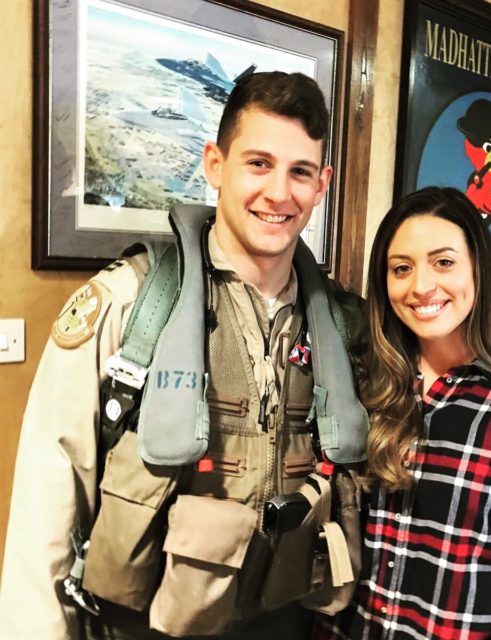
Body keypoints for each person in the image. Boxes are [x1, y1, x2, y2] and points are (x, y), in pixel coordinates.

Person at [0, 72, 365, 640]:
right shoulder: (129, 305)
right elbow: (44, 514)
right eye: (258, 163)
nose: (279, 193)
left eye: (300, 172)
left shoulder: (342, 325)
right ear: (215, 165)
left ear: (323, 185)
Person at [314, 186, 491, 639]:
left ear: (478, 269)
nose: (421, 286)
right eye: (402, 268)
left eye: (443, 262)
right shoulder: (363, 380)